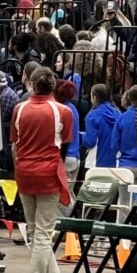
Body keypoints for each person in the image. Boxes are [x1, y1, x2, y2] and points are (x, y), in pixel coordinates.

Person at [10, 67, 73, 273]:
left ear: (32, 84)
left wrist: (20, 166)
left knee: (36, 233)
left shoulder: (19, 109)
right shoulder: (63, 112)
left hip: (24, 173)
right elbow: (63, 146)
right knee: (44, 235)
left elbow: (15, 145)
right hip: (49, 174)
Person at [54, 80, 81, 214]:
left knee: (61, 197)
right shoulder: (73, 108)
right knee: (68, 193)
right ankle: (73, 217)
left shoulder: (60, 110)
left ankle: (70, 221)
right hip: (75, 156)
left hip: (65, 156)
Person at [81, 84, 120, 169]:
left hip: (95, 162)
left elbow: (90, 142)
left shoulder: (92, 115)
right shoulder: (118, 113)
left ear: (94, 97)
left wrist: (81, 136)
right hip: (116, 162)